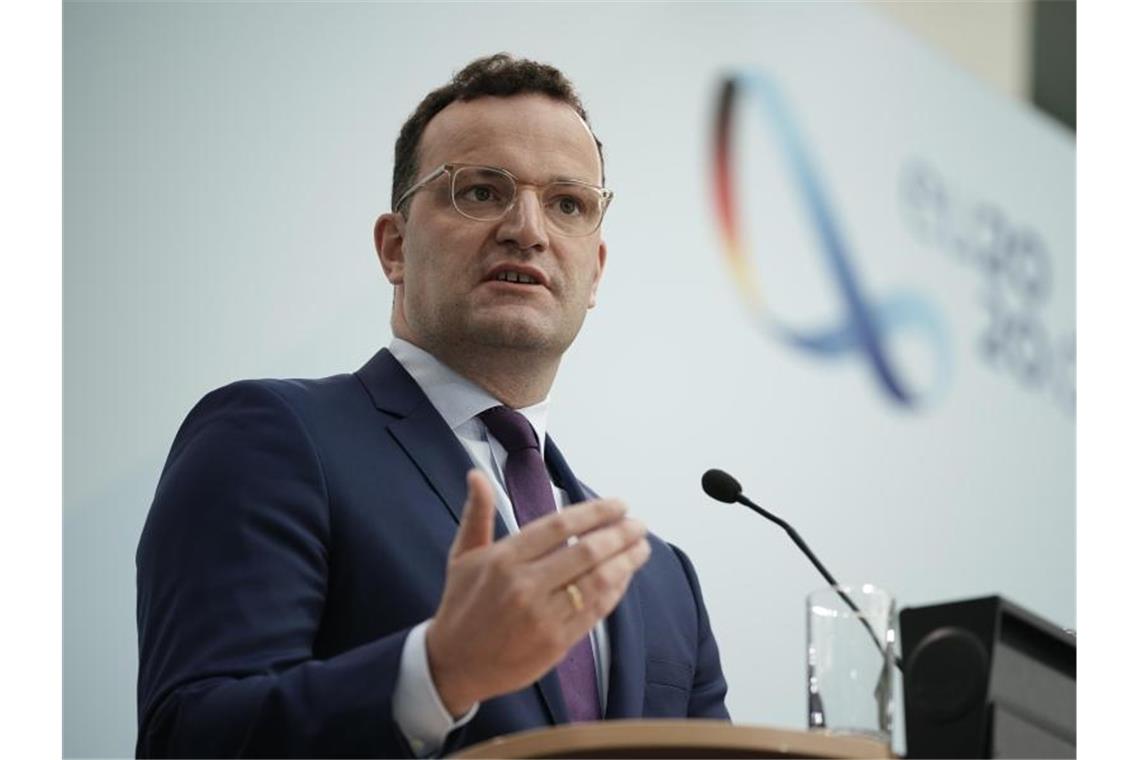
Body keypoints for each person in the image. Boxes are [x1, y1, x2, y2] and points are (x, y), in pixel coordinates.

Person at [135, 53, 730, 758]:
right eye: (481, 192)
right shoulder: (272, 441)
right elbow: (191, 739)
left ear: (594, 271)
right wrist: (437, 672)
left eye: (568, 204)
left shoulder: (660, 578)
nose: (528, 229)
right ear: (394, 247)